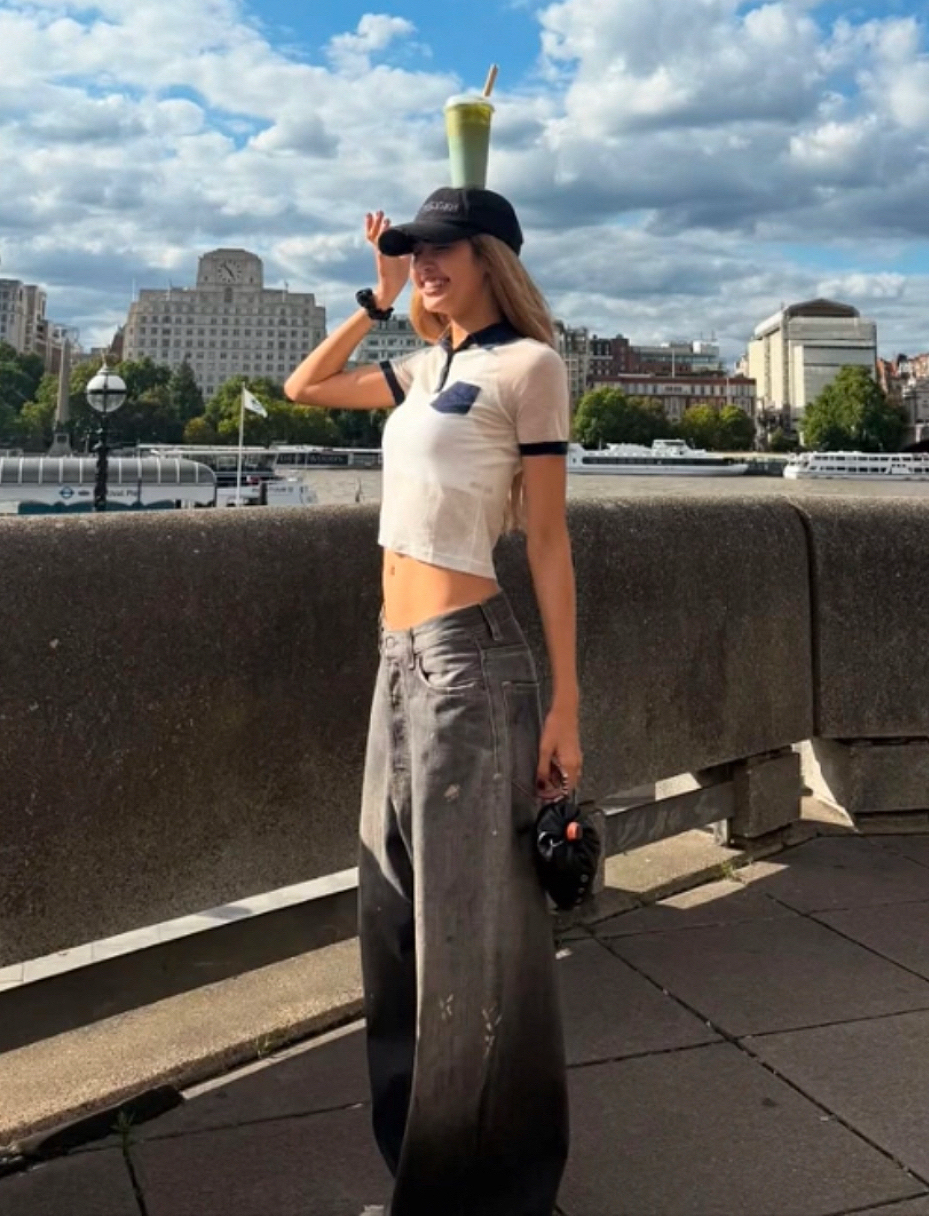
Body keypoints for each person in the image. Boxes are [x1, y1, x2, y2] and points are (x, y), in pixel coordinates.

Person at [285, 186, 580, 1216]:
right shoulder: (422, 369)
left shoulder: (528, 368)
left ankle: (484, 1191)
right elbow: (302, 388)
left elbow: (548, 542)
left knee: (468, 937)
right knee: (392, 921)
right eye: (414, 251)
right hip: (395, 657)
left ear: (492, 258)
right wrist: (374, 299)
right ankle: (424, 1170)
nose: (425, 264)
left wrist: (565, 703)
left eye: (443, 248)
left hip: (469, 663)